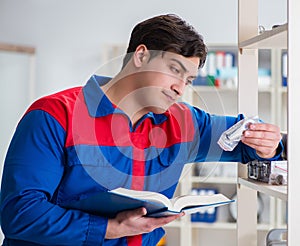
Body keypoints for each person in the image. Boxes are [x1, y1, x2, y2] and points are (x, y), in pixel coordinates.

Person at [0, 14, 282, 246]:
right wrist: (110, 228)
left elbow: (246, 141)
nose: (180, 87)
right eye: (174, 69)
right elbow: (20, 214)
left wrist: (269, 144)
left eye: (189, 79)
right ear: (141, 55)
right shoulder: (54, 115)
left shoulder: (184, 123)